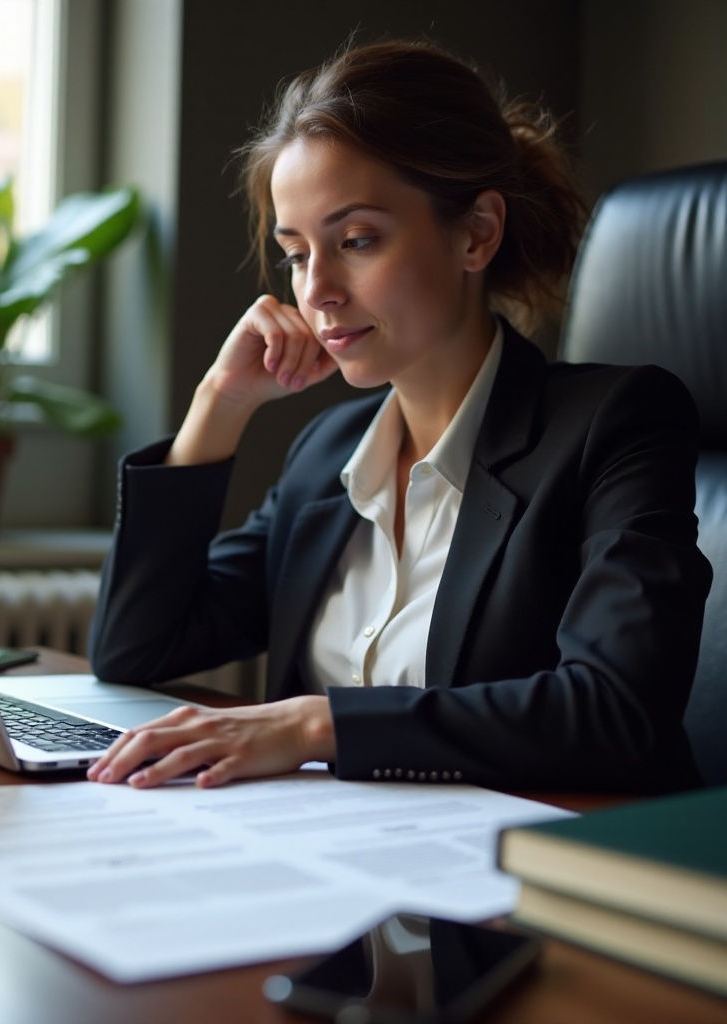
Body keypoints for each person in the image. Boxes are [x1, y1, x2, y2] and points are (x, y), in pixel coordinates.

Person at [85, 39, 712, 794]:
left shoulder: (613, 425)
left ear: (477, 233)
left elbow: (614, 711)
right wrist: (219, 403)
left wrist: (316, 724)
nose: (315, 289)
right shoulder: (329, 454)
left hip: (524, 888)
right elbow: (134, 649)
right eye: (295, 252)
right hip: (340, 872)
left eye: (356, 241)